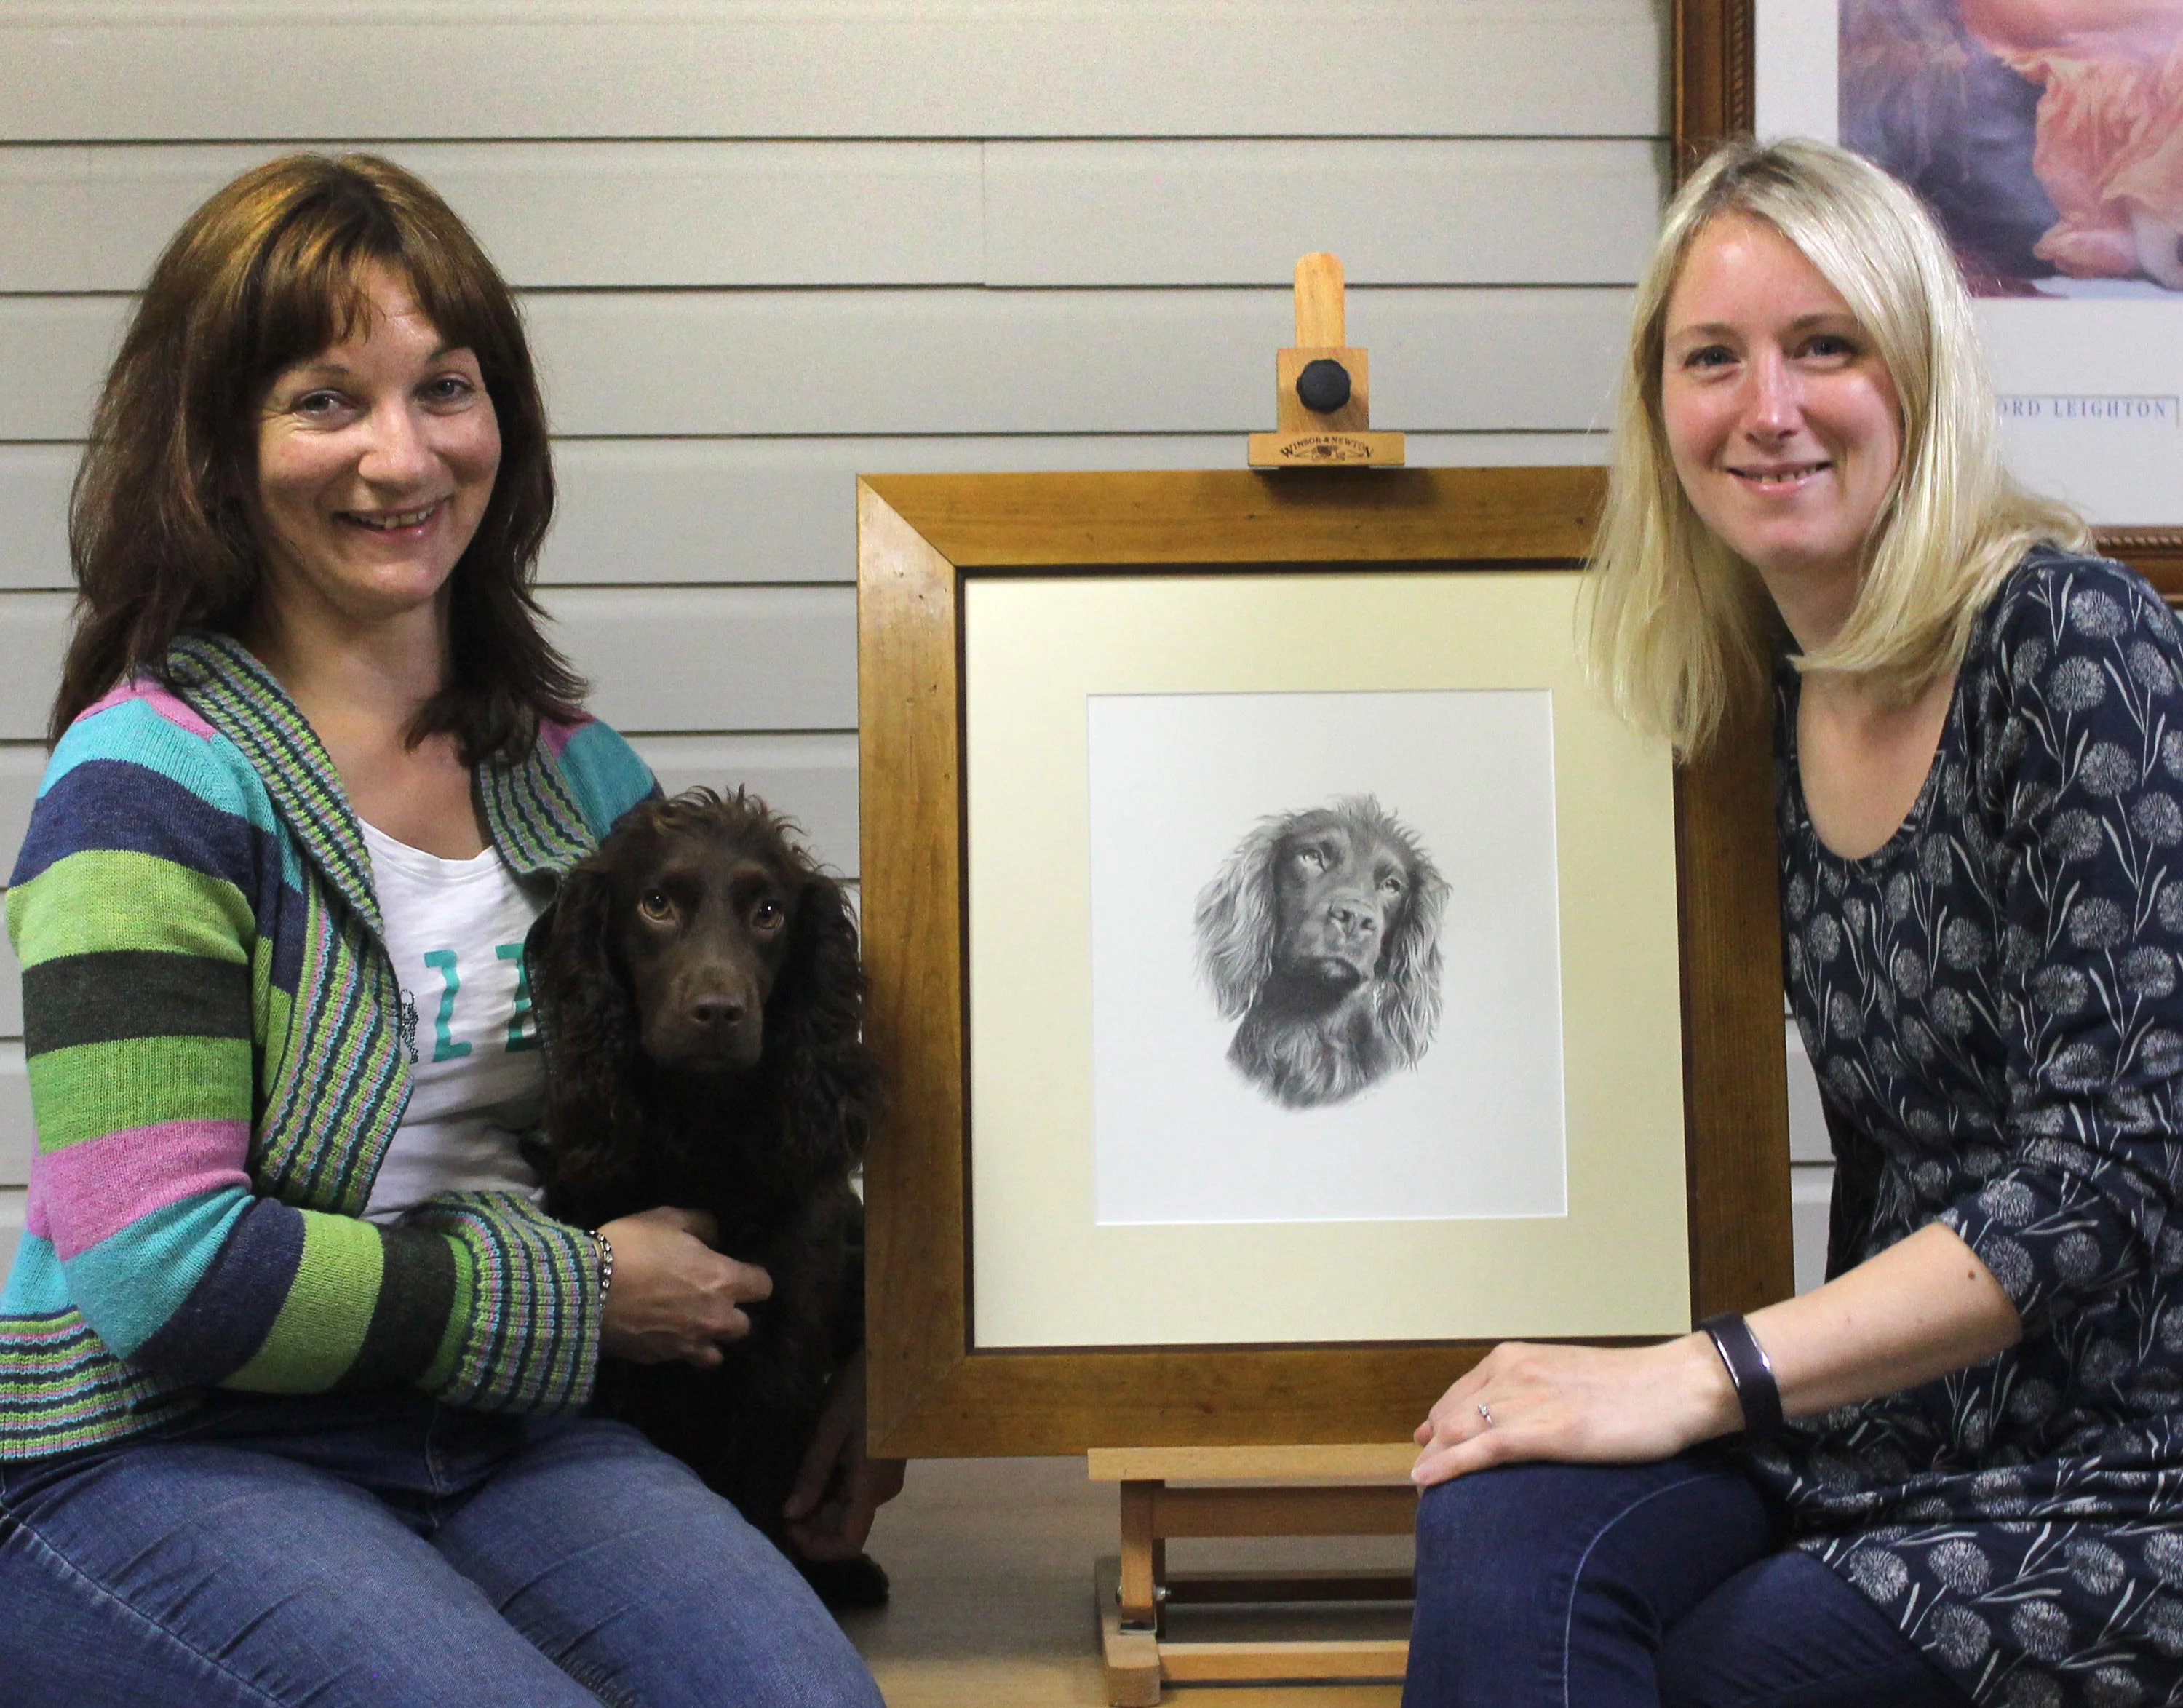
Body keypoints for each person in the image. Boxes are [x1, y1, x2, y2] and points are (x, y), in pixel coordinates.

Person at [0, 152, 894, 1707]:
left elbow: (750, 1129)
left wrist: (880, 1352)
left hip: (514, 1434)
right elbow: (161, 1272)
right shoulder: (146, 783)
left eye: (448, 389)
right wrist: (578, 1296)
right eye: (325, 399)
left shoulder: (575, 776)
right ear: (216, 444)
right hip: (163, 1452)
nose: (401, 456)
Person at [1404, 135, 2183, 1707]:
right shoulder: (1758, 697)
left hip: (2131, 1462)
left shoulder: (2068, 639)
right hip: (1890, 1421)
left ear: (1916, 375)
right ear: (1660, 408)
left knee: (1736, 1667)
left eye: (1824, 345)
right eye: (1715, 359)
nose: (1768, 410)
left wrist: (1701, 1372)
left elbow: (2108, 1180)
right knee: (1498, 1515)